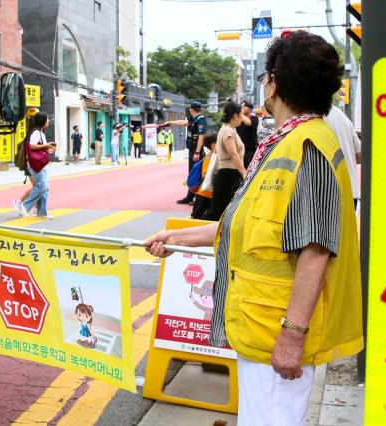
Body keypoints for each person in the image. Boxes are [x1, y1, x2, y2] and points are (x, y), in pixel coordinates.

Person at [145, 31, 362, 426]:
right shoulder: (285, 141)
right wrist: (175, 238)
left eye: (266, 76)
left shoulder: (306, 146)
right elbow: (243, 227)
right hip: (260, 328)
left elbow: (316, 249)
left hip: (276, 336)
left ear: (275, 81)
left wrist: (291, 338)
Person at [201, 101, 245, 221]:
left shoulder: (228, 129)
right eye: (241, 114)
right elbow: (233, 154)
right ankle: (197, 236)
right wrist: (244, 173)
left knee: (220, 210)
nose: (243, 117)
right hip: (228, 175)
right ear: (235, 116)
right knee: (217, 211)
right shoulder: (228, 131)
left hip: (228, 174)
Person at [164, 101, 207, 204]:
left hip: (197, 151)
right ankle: (190, 196)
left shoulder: (200, 121)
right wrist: (170, 123)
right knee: (192, 172)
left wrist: (197, 152)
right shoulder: (193, 120)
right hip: (192, 150)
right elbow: (183, 122)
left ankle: (196, 197)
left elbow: (201, 137)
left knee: (196, 173)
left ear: (191, 109)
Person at [15, 111, 56, 219]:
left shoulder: (40, 133)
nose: (48, 120)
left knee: (44, 188)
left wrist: (47, 149)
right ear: (42, 120)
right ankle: (25, 206)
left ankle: (42, 212)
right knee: (42, 186)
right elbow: (31, 146)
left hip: (40, 164)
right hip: (35, 164)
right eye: (46, 119)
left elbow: (38, 147)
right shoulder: (36, 132)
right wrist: (46, 145)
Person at [325, 105, 362, 208]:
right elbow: (359, 155)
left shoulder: (311, 117)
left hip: (330, 194)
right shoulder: (342, 117)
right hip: (351, 191)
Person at [191, 133, 218, 219]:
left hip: (210, 194)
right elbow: (203, 175)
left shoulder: (215, 157)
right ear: (213, 145)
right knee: (196, 216)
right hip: (204, 194)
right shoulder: (208, 158)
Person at [237, 100, 259, 168]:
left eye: (244, 106)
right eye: (241, 107)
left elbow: (248, 123)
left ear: (250, 109)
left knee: (250, 170)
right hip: (239, 151)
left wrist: (239, 113)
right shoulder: (238, 120)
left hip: (250, 151)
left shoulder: (254, 118)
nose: (242, 108)